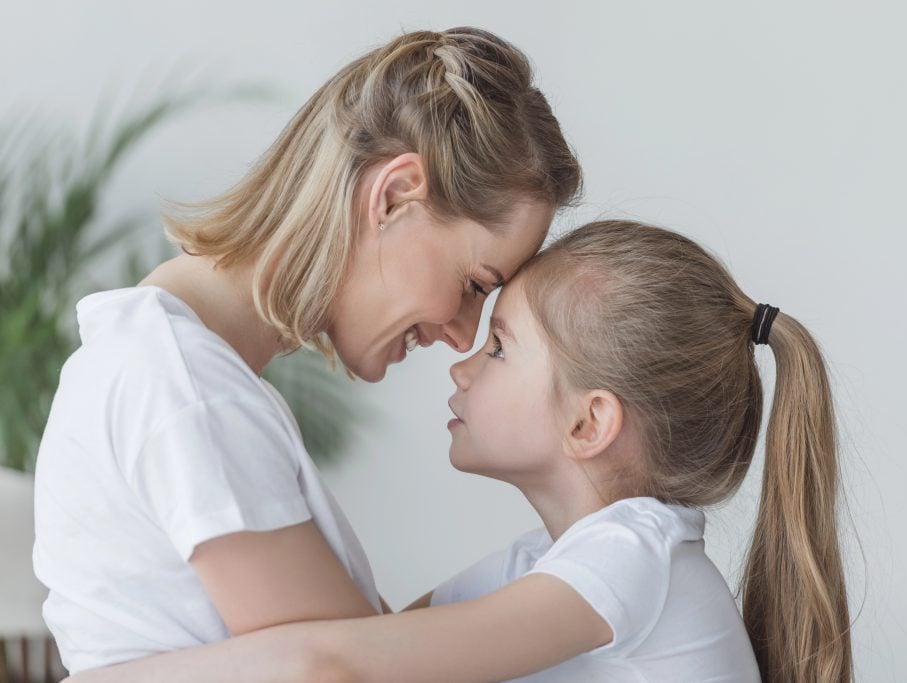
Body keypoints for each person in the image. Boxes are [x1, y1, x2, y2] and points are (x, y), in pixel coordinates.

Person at [68, 220, 854, 683]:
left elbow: (335, 665)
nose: (461, 361)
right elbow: (376, 640)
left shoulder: (634, 558)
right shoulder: (548, 564)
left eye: (501, 347)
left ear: (590, 422)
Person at [32, 26, 582, 676]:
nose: (463, 335)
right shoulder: (186, 390)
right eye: (472, 286)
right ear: (394, 195)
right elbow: (341, 671)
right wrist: (593, 591)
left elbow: (365, 651)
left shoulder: (185, 373)